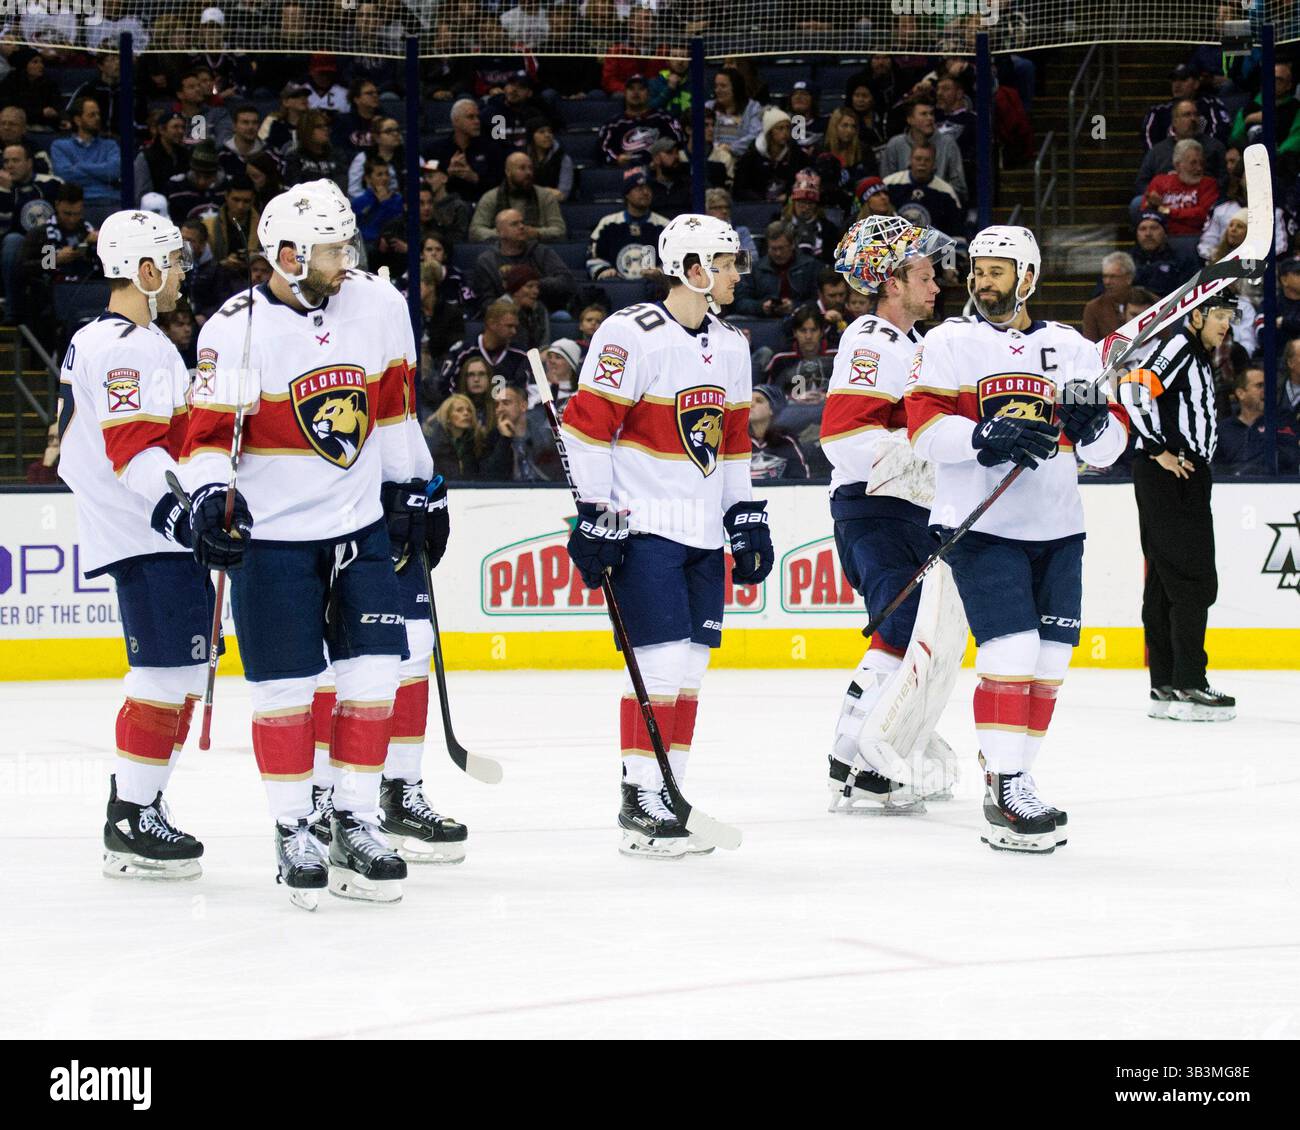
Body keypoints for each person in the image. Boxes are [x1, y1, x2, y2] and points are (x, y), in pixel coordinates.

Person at [182, 180, 431, 907]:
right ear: (288, 256)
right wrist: (207, 497)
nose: (344, 259)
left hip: (358, 530)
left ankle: (355, 820)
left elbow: (392, 414)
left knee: (375, 675)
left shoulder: (372, 305)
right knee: (285, 689)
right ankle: (294, 826)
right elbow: (206, 439)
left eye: (345, 244)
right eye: (330, 249)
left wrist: (414, 488)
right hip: (275, 539)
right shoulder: (235, 329)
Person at [906, 225, 1130, 853]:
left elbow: (1111, 449)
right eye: (977, 270)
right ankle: (1007, 787)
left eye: (996, 271)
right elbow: (923, 431)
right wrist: (982, 436)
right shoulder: (949, 342)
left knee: (1050, 662)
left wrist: (1093, 429)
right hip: (980, 526)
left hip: (1058, 528)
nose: (982, 282)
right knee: (1012, 651)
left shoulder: (1074, 350)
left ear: (1027, 278)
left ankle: (1015, 776)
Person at [560, 213, 770, 858]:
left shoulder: (731, 344)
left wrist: (745, 514)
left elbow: (732, 442)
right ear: (694, 270)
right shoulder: (630, 334)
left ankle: (669, 791)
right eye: (727, 264)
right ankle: (639, 796)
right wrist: (598, 512)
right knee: (659, 664)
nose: (738, 275)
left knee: (691, 668)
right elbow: (585, 430)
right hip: (644, 528)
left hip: (703, 534)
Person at [57, 208, 216, 881]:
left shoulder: (102, 338)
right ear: (145, 271)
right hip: (147, 533)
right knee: (165, 673)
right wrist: (183, 516)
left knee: (181, 672)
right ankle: (131, 815)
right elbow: (134, 451)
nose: (181, 274)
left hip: (143, 530)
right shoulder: (132, 347)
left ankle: (138, 801)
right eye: (173, 262)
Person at [821, 216, 959, 811]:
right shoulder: (872, 339)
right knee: (901, 629)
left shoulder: (910, 343)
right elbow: (844, 439)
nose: (935, 287)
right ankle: (856, 759)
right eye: (924, 277)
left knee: (909, 629)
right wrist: (929, 460)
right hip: (875, 509)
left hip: (901, 511)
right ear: (891, 282)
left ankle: (875, 748)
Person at [1119, 290, 1241, 722]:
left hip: (1177, 475)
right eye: (1219, 315)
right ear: (1197, 316)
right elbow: (1134, 388)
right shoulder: (1180, 346)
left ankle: (1167, 683)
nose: (1226, 325)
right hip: (1175, 474)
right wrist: (1158, 449)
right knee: (1193, 580)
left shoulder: (1195, 353)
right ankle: (1189, 682)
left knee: (1166, 580)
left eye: (1230, 317)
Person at [472, 209, 574, 311]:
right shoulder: (487, 261)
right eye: (514, 224)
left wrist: (533, 285)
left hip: (546, 310)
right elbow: (485, 301)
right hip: (506, 314)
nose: (521, 227)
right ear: (500, 232)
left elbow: (567, 282)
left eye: (522, 222)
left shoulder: (541, 252)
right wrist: (510, 304)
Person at [1214, 365, 1300, 476]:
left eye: (1268, 386)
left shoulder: (1284, 421)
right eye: (1260, 386)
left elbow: (1291, 457)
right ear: (1241, 393)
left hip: (1278, 485)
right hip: (1234, 486)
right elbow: (1216, 469)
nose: (1266, 391)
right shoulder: (1223, 430)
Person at [587, 167, 671, 281]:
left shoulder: (664, 226)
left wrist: (660, 272)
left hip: (654, 287)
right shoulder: (608, 223)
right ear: (627, 194)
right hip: (617, 286)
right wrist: (603, 270)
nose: (645, 192)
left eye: (648, 188)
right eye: (639, 189)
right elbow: (594, 254)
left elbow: (675, 259)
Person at [879, 98, 967, 205]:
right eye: (924, 114)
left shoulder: (948, 144)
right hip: (901, 206)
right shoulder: (895, 144)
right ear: (910, 119)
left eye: (931, 114)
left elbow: (959, 189)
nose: (930, 118)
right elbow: (885, 186)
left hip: (939, 205)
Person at [468, 151, 566, 243]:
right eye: (522, 168)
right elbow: (475, 232)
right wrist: (506, 233)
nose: (528, 173)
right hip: (500, 251)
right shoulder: (490, 197)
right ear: (508, 172)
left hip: (537, 250)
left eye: (530, 168)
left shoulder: (546, 197)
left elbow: (560, 231)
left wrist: (536, 233)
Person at [730, 220, 820, 318]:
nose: (778, 253)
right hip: (763, 320)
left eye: (782, 248)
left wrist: (795, 306)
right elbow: (740, 302)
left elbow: (818, 300)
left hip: (802, 319)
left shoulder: (810, 266)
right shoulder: (755, 269)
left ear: (792, 245)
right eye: (773, 248)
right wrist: (761, 307)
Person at [424, 99, 504, 203]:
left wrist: (474, 177)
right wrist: (448, 175)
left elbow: (499, 183)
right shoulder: (434, 151)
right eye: (471, 117)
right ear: (456, 121)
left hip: (482, 203)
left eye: (477, 117)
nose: (477, 121)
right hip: (447, 205)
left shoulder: (490, 148)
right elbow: (428, 182)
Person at [598, 73, 685, 166]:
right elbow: (602, 150)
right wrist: (616, 159)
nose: (636, 92)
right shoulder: (612, 124)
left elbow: (680, 142)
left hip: (659, 170)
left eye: (641, 89)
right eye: (631, 89)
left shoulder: (665, 118)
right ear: (625, 93)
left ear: (648, 93)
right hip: (624, 171)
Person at [1138, 139, 1219, 237]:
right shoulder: (1159, 181)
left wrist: (1164, 209)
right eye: (1193, 163)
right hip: (1162, 237)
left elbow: (1201, 216)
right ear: (1177, 165)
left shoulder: (1209, 184)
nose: (1199, 168)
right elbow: (1146, 212)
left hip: (1193, 236)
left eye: (1201, 163)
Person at [50, 96, 121, 205]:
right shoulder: (59, 146)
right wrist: (100, 172)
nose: (97, 118)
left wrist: (79, 166)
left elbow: (113, 172)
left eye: (98, 114)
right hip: (76, 203)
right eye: (92, 115)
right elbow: (64, 176)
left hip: (109, 200)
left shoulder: (110, 145)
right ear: (78, 120)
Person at [733, 107, 809, 204]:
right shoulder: (752, 155)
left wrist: (789, 195)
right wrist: (761, 200)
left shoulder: (796, 153)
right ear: (769, 131)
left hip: (788, 204)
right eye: (780, 128)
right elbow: (739, 189)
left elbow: (805, 180)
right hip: (757, 205)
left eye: (788, 128)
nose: (785, 132)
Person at [748, 383, 808, 481]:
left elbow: (800, 480)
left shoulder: (787, 441)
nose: (751, 404)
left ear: (772, 409)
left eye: (759, 401)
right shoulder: (736, 440)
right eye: (749, 401)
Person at [1131, 210, 1199, 294]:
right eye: (1143, 229)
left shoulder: (1182, 260)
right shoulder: (1128, 261)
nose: (1148, 234)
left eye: (1154, 228)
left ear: (1165, 232)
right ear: (1136, 234)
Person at [1082, 252, 1137, 343]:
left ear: (1128, 278)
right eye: (1105, 276)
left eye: (1113, 276)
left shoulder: (1148, 302)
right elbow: (1089, 345)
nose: (1107, 282)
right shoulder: (1093, 308)